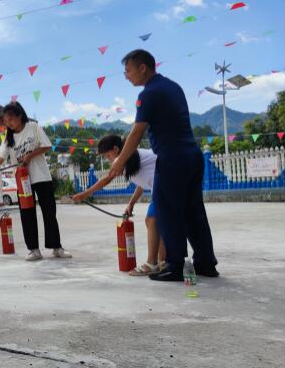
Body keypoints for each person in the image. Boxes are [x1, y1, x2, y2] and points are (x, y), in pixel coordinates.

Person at [110, 49, 218, 281]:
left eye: (128, 70)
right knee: (194, 212)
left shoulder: (148, 94)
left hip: (171, 159)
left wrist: (119, 161)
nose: (126, 76)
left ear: (143, 68)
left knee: (168, 213)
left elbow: (137, 132)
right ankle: (206, 263)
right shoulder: (173, 86)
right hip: (192, 156)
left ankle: (174, 265)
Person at [0, 101, 70, 261]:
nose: (8, 123)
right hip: (23, 180)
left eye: (10, 119)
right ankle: (34, 250)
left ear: (20, 116)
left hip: (42, 177)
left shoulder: (33, 127)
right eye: (5, 121)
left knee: (49, 213)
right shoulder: (8, 138)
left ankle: (56, 247)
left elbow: (46, 146)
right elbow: (1, 156)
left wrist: (29, 156)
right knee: (27, 214)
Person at [72, 135, 166, 275]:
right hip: (166, 183)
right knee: (158, 223)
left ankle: (152, 263)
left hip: (166, 183)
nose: (108, 159)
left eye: (107, 155)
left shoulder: (123, 157)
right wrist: (131, 203)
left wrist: (84, 194)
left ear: (115, 149)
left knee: (151, 220)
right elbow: (143, 183)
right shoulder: (132, 157)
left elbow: (107, 178)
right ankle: (162, 262)